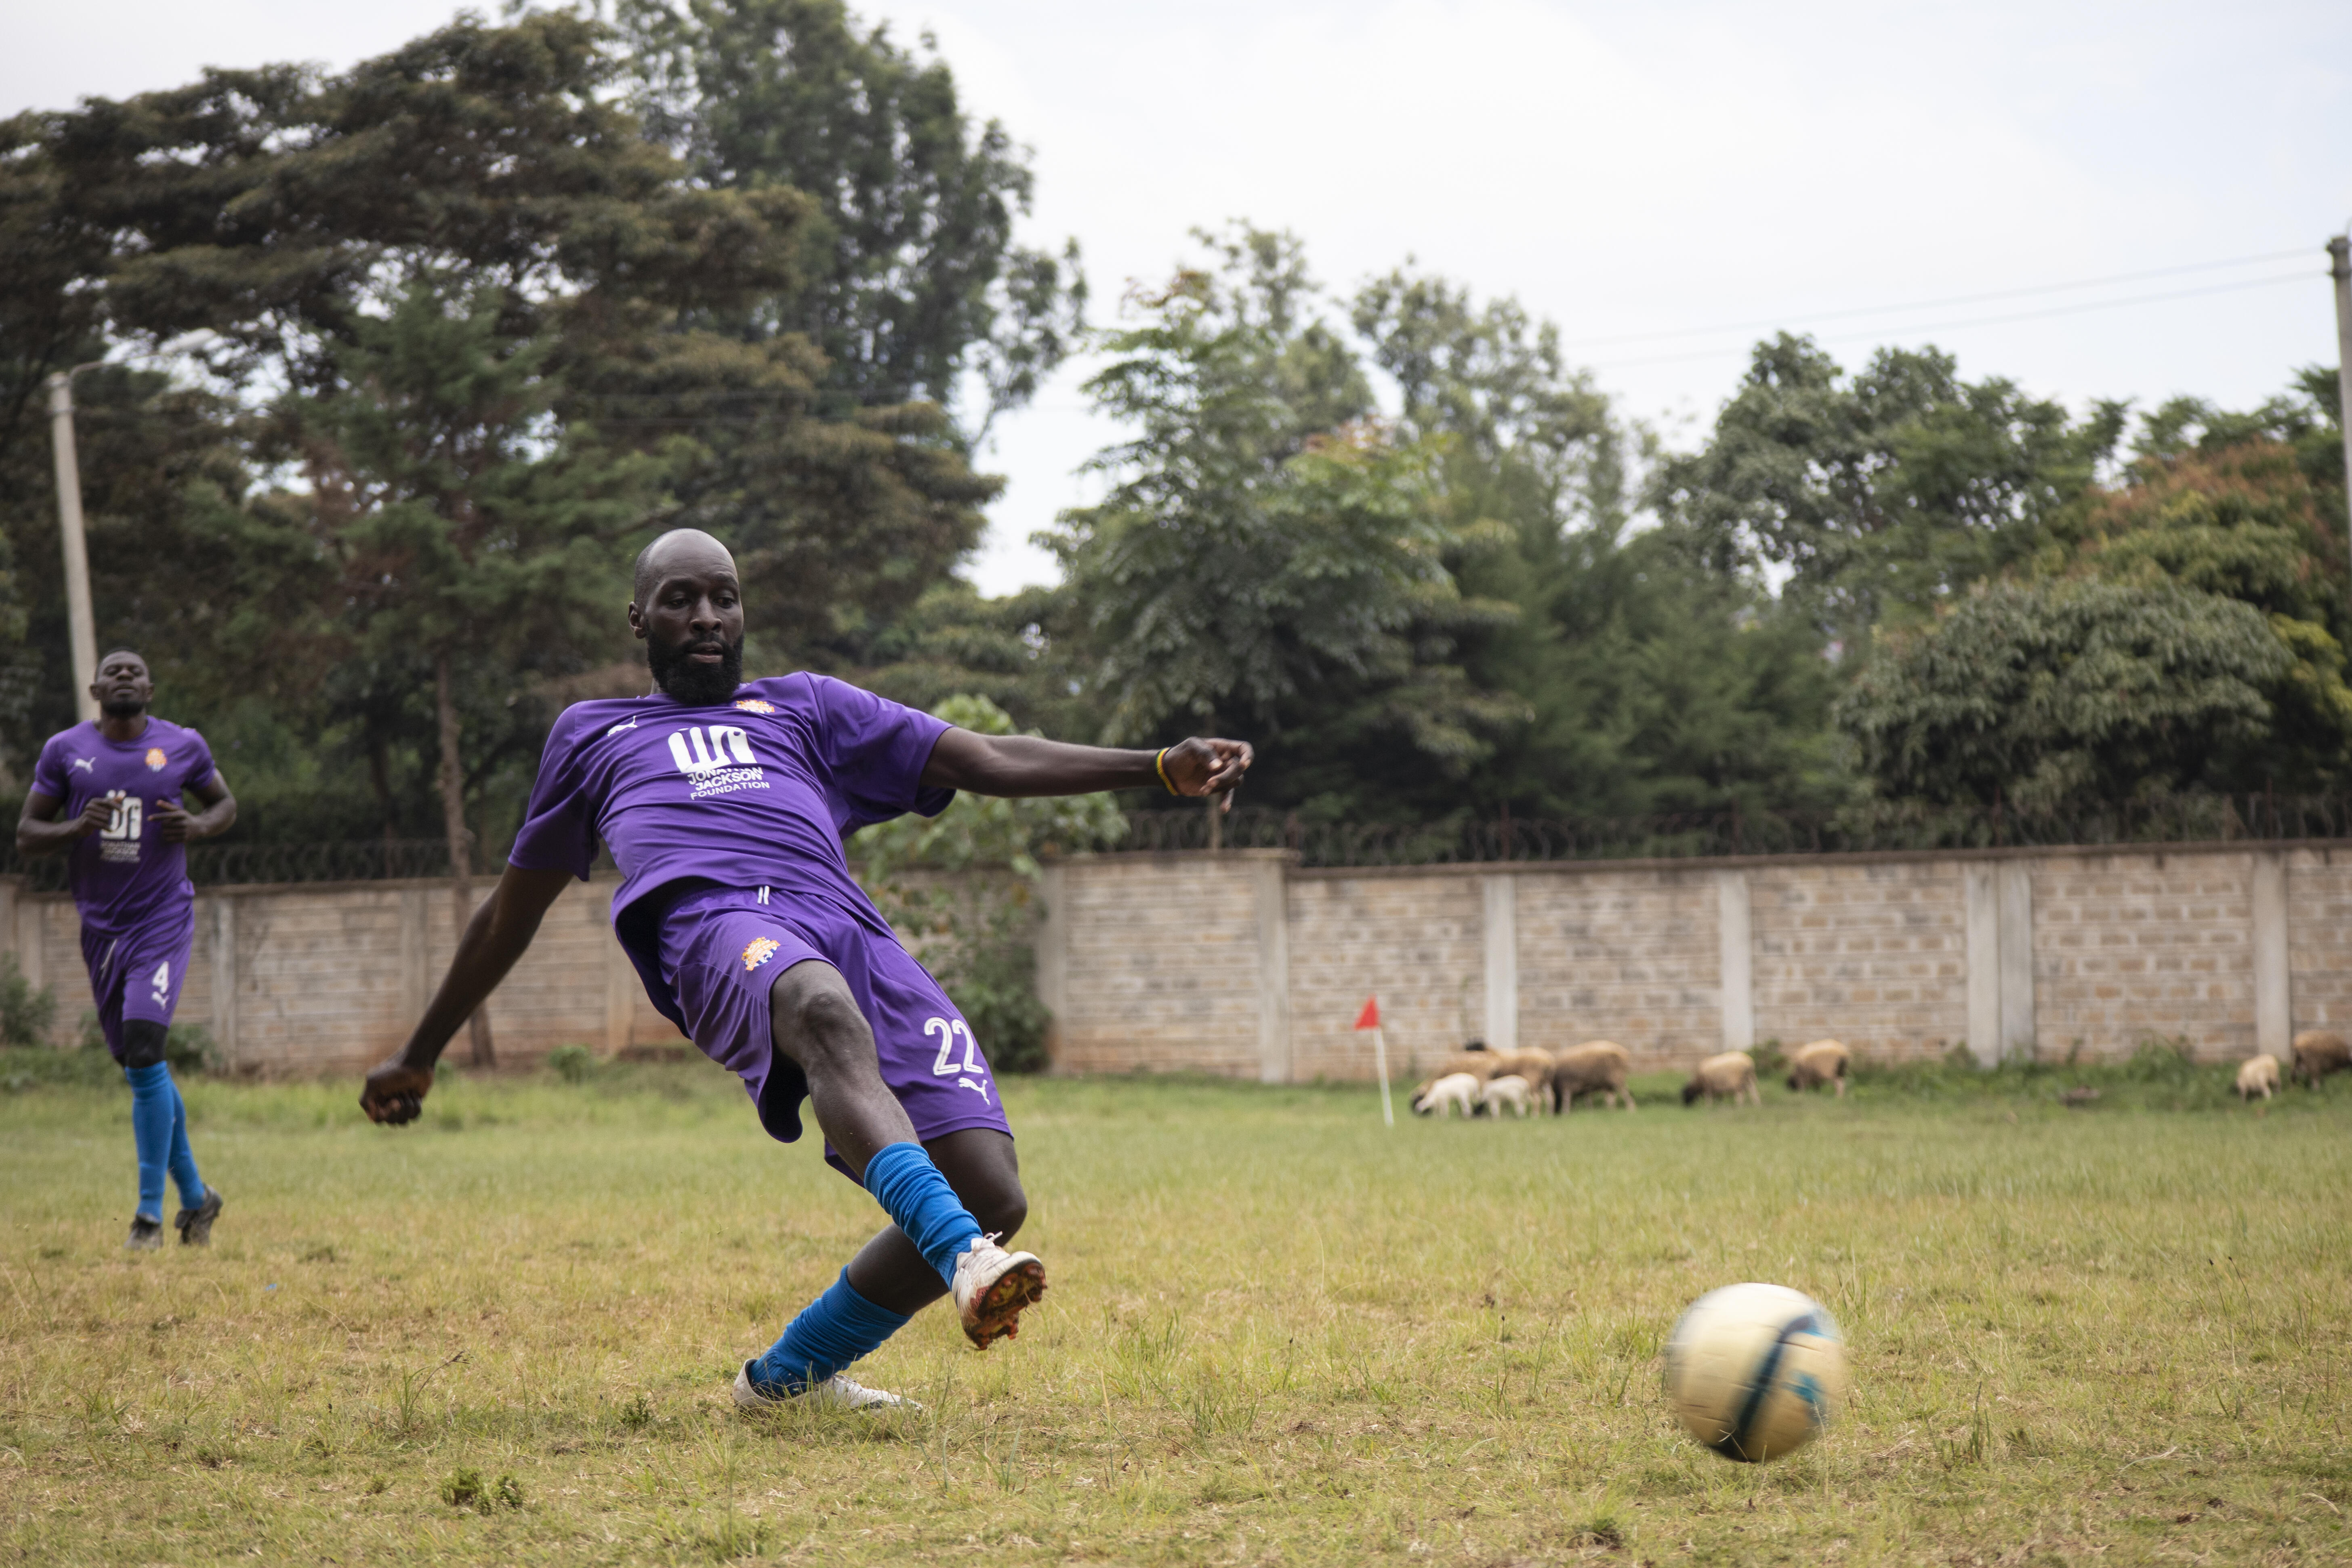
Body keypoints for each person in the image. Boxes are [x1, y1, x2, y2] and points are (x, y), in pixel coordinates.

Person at [359, 529, 1252, 1411]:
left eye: (724, 597)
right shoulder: (593, 734)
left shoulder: (806, 707)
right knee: (818, 1007)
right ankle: (966, 1259)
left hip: (846, 927)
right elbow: (509, 914)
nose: (706, 617)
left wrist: (1154, 768)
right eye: (680, 600)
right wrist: (420, 1052)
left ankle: (788, 1379)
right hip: (715, 923)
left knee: (989, 1188)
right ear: (638, 619)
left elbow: (984, 755)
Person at [15, 649, 237, 1250]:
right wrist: (76, 827)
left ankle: (148, 1218)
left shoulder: (182, 745)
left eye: (134, 670)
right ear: (95, 690)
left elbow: (225, 804)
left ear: (150, 689)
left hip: (162, 920)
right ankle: (198, 1197)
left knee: (144, 1051)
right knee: (142, 1068)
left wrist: (199, 826)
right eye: (112, 670)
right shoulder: (65, 750)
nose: (123, 676)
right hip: (101, 930)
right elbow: (27, 834)